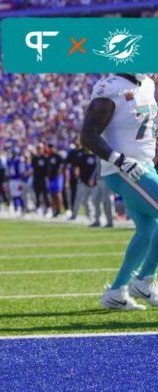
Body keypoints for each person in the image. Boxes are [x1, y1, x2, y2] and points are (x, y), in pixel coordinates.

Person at [80, 73, 158, 310]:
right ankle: (144, 280)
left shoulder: (148, 83)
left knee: (147, 231)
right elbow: (87, 135)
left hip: (144, 166)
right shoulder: (110, 89)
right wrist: (120, 160)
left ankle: (116, 291)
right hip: (124, 170)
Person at [70, 148, 97, 222]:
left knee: (94, 200)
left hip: (93, 182)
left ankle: (93, 216)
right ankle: (75, 214)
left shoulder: (95, 156)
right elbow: (76, 166)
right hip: (83, 181)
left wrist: (94, 178)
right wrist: (77, 176)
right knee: (81, 199)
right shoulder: (83, 156)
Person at [31, 143, 51, 216]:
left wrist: (47, 177)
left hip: (43, 178)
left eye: (40, 148)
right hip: (36, 178)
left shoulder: (45, 158)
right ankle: (38, 208)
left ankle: (48, 208)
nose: (39, 150)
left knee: (45, 194)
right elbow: (33, 168)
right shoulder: (34, 158)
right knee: (37, 194)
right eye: (38, 148)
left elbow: (47, 169)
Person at [47, 143, 64, 217]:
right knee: (52, 194)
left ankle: (59, 209)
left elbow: (62, 166)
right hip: (51, 177)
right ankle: (55, 210)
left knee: (57, 193)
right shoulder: (49, 157)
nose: (50, 148)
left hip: (57, 177)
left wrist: (59, 173)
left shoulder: (58, 156)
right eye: (49, 147)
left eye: (51, 147)